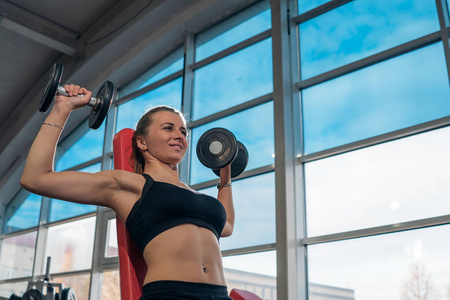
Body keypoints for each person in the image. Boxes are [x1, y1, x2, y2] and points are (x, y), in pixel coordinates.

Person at [20, 84, 235, 300]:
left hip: (219, 294)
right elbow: (36, 178)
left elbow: (226, 226)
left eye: (183, 131)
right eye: (168, 128)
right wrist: (62, 108)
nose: (179, 136)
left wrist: (225, 176)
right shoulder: (129, 185)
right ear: (142, 142)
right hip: (170, 294)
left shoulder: (195, 195)